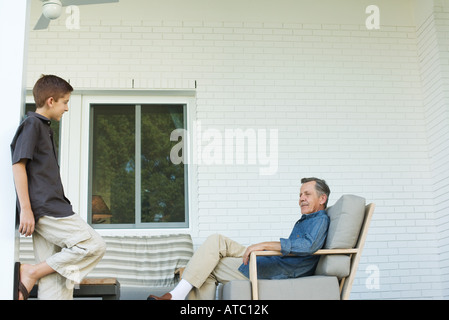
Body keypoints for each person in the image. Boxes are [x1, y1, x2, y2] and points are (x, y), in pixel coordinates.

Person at [148, 177, 331, 300]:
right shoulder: (308, 220)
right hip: (268, 261)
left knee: (210, 265)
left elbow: (307, 246)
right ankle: (177, 296)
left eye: (307, 194)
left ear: (322, 198)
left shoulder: (321, 220)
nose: (301, 199)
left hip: (274, 270)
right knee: (216, 242)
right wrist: (260, 248)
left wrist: (263, 245)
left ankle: (176, 296)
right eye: (300, 194)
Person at [11, 75, 106, 300]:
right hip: (48, 210)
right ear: (51, 101)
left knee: (57, 282)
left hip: (46, 210)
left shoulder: (44, 127)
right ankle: (31, 271)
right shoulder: (32, 124)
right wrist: (25, 209)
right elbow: (18, 165)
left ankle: (36, 271)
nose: (67, 108)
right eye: (65, 102)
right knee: (93, 245)